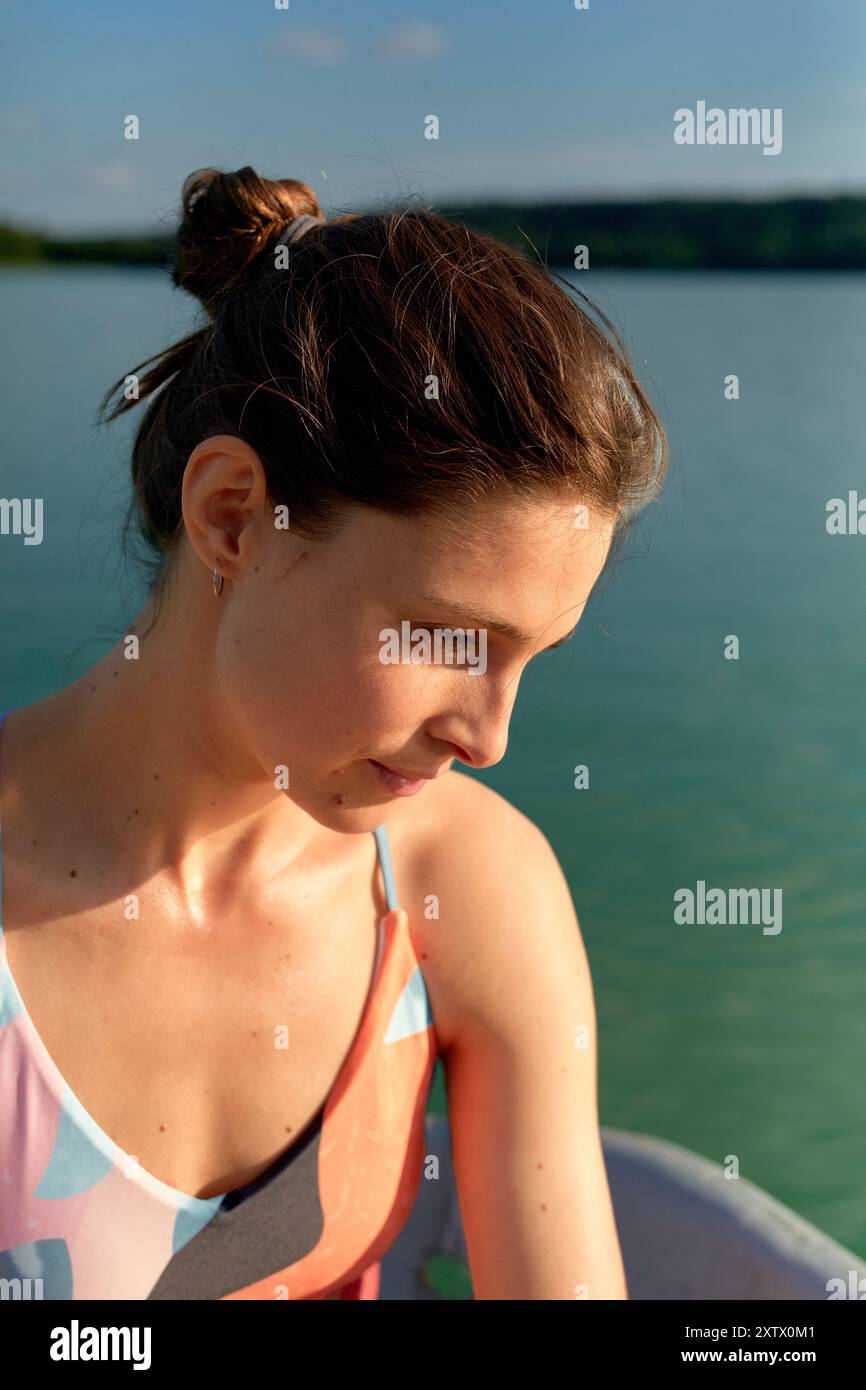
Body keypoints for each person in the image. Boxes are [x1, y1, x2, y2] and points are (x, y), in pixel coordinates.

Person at [0, 166, 667, 1300]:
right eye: (449, 636)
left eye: (529, 659)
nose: (489, 737)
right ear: (231, 518)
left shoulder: (468, 885)